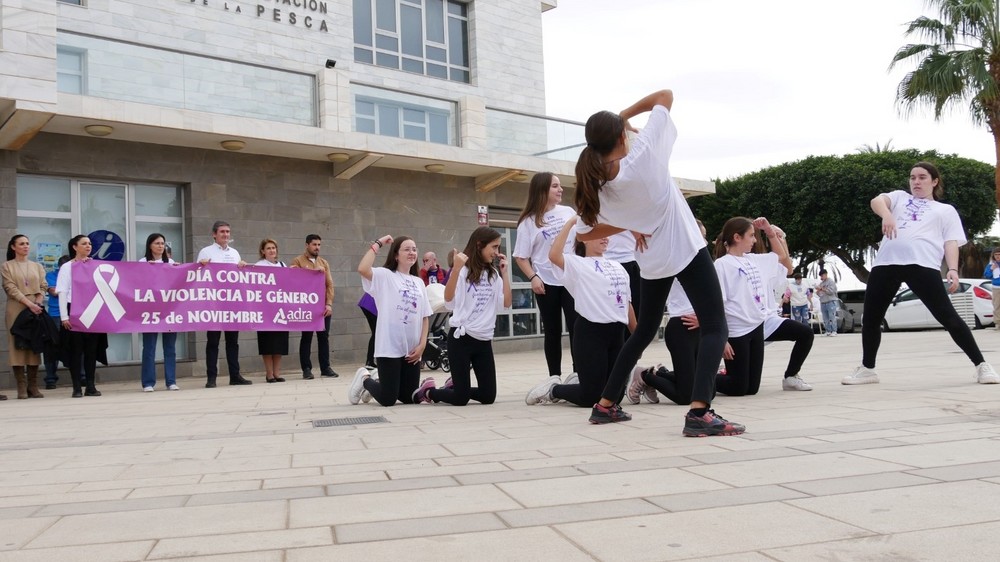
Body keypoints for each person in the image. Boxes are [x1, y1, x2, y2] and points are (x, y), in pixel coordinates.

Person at [574, 89, 744, 435]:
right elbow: (665, 95)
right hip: (684, 248)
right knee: (715, 326)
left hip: (652, 260)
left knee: (643, 332)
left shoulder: (600, 188)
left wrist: (635, 220)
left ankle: (605, 405)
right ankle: (699, 413)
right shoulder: (644, 156)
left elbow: (584, 235)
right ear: (622, 136)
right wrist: (626, 112)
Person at [845, 161, 999, 385]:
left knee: (947, 316)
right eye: (912, 177)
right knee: (870, 318)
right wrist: (887, 215)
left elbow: (950, 242)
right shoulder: (899, 197)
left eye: (922, 177)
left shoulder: (945, 210)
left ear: (934, 182)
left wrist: (953, 270)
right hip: (886, 263)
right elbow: (876, 200)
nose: (916, 182)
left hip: (922, 264)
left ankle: (982, 366)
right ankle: (868, 369)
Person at [525, 217, 636, 408]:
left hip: (616, 333)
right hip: (591, 333)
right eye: (599, 234)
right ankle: (553, 389)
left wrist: (637, 334)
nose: (605, 238)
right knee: (591, 396)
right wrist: (570, 224)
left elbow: (626, 304)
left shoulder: (618, 267)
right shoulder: (577, 264)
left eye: (606, 235)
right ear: (583, 238)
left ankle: (575, 383)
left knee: (614, 397)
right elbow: (553, 255)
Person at [412, 226, 511, 406]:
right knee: (460, 399)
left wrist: (505, 273)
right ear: (480, 245)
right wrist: (456, 270)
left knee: (488, 396)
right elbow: (449, 301)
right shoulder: (463, 271)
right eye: (494, 247)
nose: (497, 252)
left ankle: (455, 387)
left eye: (498, 248)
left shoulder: (494, 275)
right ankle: (429, 391)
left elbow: (505, 304)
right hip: (461, 340)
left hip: (483, 341)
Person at [712, 217, 793, 397]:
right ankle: (696, 376)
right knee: (738, 388)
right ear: (737, 237)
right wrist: (722, 339)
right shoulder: (722, 265)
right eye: (751, 236)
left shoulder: (753, 260)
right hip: (736, 331)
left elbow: (781, 257)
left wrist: (770, 232)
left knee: (752, 388)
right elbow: (718, 304)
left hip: (756, 327)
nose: (755, 240)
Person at [348, 235, 432, 406]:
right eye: (406, 249)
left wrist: (422, 345)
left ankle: (379, 383)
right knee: (388, 399)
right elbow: (363, 269)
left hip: (411, 349)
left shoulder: (419, 282)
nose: (412, 252)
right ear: (395, 255)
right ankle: (366, 377)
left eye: (414, 249)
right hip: (389, 347)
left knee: (409, 398)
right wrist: (378, 244)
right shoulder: (385, 276)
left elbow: (425, 316)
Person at [513, 172, 578, 379]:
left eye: (560, 186)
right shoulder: (529, 221)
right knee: (553, 331)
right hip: (546, 282)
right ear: (542, 190)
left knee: (578, 328)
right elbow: (521, 257)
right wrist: (533, 277)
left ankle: (580, 374)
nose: (561, 190)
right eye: (555, 186)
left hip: (571, 278)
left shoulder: (568, 212)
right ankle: (554, 377)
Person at [757, 227, 815, 391]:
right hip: (746, 323)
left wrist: (781, 240)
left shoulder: (765, 263)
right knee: (745, 384)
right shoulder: (740, 261)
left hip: (768, 320)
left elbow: (787, 267)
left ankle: (791, 375)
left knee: (805, 333)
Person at [197, 220, 251, 387]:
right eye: (222, 232)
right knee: (213, 342)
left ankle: (235, 375)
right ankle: (211, 378)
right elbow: (197, 276)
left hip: (231, 303)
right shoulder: (205, 252)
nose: (226, 235)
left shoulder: (234, 253)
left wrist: (242, 266)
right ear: (214, 234)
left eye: (228, 231)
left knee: (232, 341)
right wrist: (202, 266)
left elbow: (239, 278)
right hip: (213, 303)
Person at [57, 234, 104, 398]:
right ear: (75, 247)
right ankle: (77, 387)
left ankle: (90, 386)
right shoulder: (67, 267)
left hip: (92, 310)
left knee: (91, 351)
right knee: (75, 351)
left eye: (90, 243)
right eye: (84, 243)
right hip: (73, 309)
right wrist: (64, 316)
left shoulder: (95, 265)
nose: (88, 246)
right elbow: (62, 291)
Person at [2, 234, 49, 400]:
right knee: (16, 344)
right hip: (16, 306)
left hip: (35, 306)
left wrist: (38, 300)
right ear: (13, 247)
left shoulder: (37, 266)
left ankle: (33, 385)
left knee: (34, 342)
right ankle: (21, 386)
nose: (25, 246)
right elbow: (10, 287)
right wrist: (29, 304)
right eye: (21, 244)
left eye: (27, 243)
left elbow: (44, 285)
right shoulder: (7, 266)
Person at [290, 234, 338, 379]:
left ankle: (325, 367)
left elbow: (329, 284)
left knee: (324, 337)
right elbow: (293, 281)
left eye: (319, 245)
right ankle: (306, 368)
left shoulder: (323, 263)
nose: (317, 247)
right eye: (314, 244)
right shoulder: (297, 261)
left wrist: (329, 304)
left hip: (322, 306)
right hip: (306, 306)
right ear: (307, 245)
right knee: (306, 337)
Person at [139, 233, 179, 392]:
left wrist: (178, 270)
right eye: (157, 243)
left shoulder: (170, 262)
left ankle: (171, 381)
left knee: (170, 348)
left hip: (169, 311)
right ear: (150, 245)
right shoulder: (142, 262)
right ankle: (148, 382)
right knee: (149, 348)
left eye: (162, 243)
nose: (160, 246)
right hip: (150, 310)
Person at [253, 239, 289, 383]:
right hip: (265, 310)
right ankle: (269, 374)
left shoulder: (282, 265)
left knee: (279, 342)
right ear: (263, 251)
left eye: (274, 248)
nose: (272, 250)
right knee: (267, 343)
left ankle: (277, 373)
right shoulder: (258, 266)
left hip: (280, 309)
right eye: (268, 248)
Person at [42, 255, 70, 390]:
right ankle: (50, 378)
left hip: (74, 314)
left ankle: (81, 376)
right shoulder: (51, 275)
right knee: (52, 348)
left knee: (76, 347)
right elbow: (54, 292)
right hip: (55, 315)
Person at [815, 269, 839, 336]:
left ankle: (834, 331)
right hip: (823, 302)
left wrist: (822, 289)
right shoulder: (821, 283)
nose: (821, 278)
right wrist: (818, 291)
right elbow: (820, 294)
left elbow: (831, 292)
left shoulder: (831, 282)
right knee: (825, 318)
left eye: (822, 276)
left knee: (832, 317)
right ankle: (828, 330)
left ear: (825, 274)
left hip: (830, 302)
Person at [358, 292, 377, 370]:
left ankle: (370, 361)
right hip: (372, 304)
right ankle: (370, 361)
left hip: (367, 303)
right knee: (377, 333)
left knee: (376, 333)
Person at [983, 247, 1000, 330]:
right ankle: (998, 323)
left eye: (999, 254)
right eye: (996, 254)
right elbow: (987, 275)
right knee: (997, 306)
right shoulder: (991, 264)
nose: (997, 256)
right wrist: (991, 269)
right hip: (996, 288)